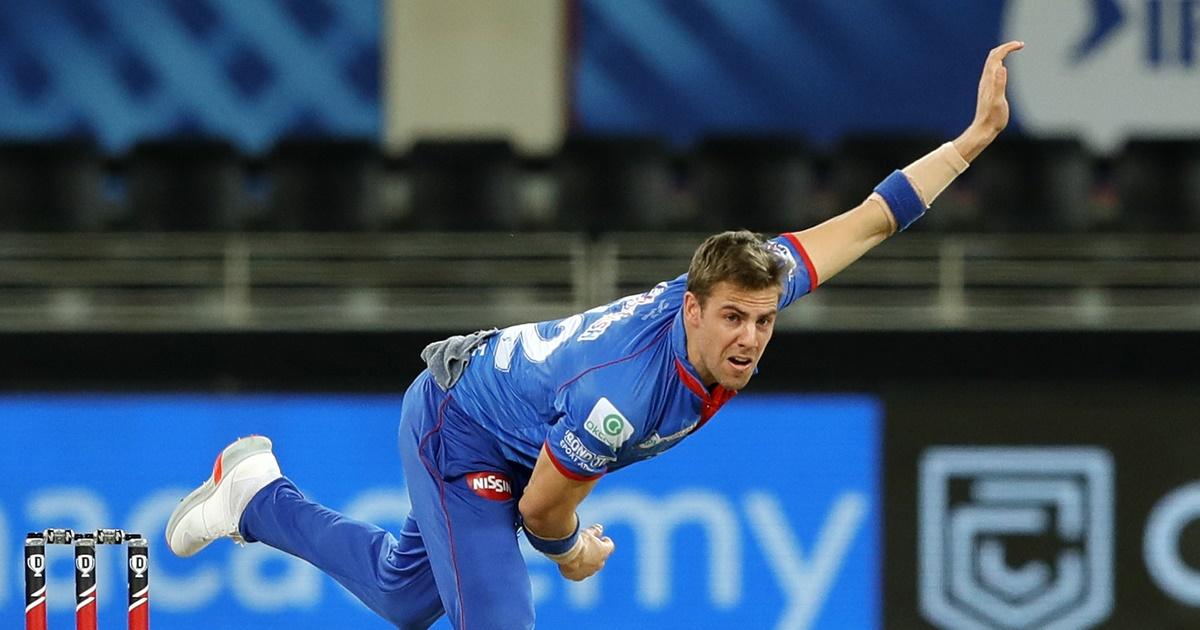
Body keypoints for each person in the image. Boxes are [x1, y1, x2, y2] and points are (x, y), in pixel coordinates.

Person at [165, 41, 1025, 629]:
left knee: (404, 595)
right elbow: (543, 507)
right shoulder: (624, 397)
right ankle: (256, 497)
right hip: (461, 426)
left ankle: (255, 496)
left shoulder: (758, 279)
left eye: (764, 320)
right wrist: (572, 550)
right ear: (692, 308)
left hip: (517, 417)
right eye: (732, 319)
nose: (751, 338)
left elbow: (874, 217)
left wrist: (972, 140)